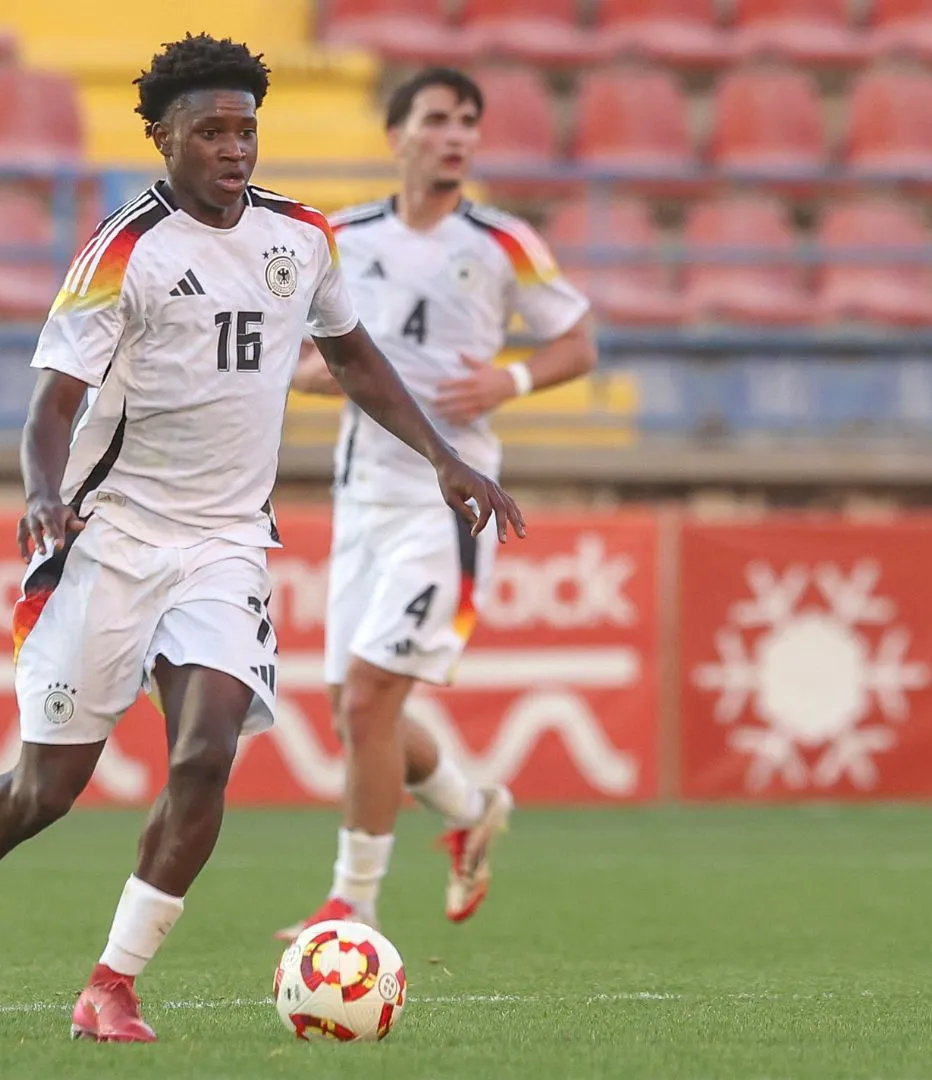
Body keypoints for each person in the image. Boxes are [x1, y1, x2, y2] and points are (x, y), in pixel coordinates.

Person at [0, 36, 526, 1045]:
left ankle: (113, 982)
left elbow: (353, 354)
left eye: (246, 130)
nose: (235, 149)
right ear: (164, 137)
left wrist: (445, 456)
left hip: (225, 544)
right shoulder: (122, 253)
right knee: (45, 789)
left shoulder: (302, 237)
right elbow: (53, 403)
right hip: (110, 538)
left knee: (205, 755)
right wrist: (42, 497)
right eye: (213, 132)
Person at [278, 67, 596, 938]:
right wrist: (317, 376)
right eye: (438, 119)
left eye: (469, 122)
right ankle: (469, 809)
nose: (457, 135)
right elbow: (311, 361)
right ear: (398, 136)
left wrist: (511, 376)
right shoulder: (339, 237)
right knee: (358, 714)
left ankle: (353, 906)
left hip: (447, 502)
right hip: (361, 500)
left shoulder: (503, 242)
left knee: (370, 700)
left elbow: (578, 341)